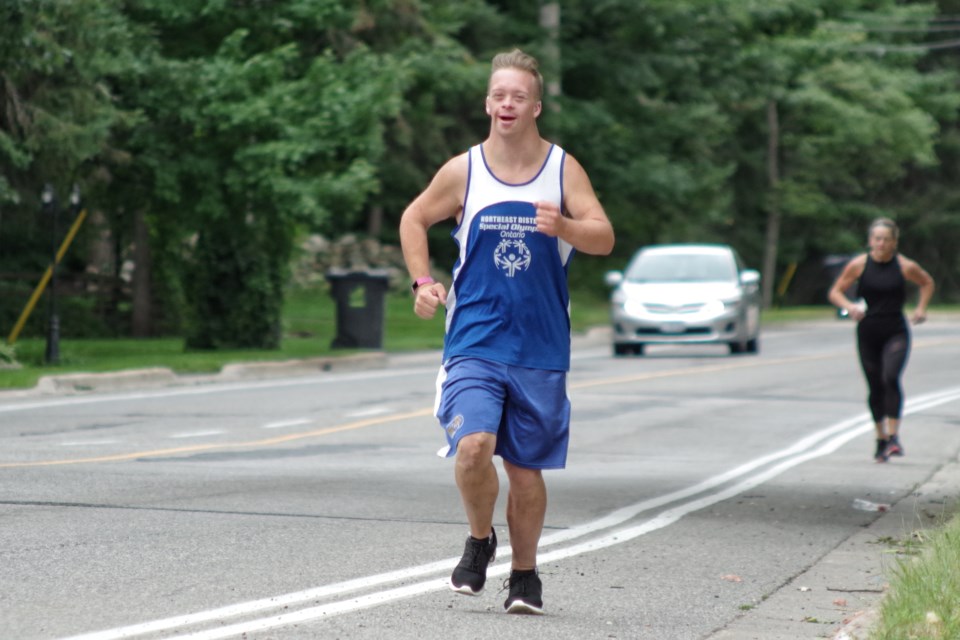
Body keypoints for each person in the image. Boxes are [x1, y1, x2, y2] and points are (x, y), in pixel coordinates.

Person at [398, 49, 615, 614]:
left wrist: (564, 224)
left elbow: (603, 236)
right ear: (488, 104)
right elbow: (414, 217)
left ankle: (524, 575)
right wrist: (422, 281)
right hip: (474, 337)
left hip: (540, 346)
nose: (507, 104)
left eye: (518, 96)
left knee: (524, 472)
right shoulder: (464, 169)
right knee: (473, 448)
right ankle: (479, 540)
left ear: (536, 105)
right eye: (499, 95)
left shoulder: (561, 168)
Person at [828, 218, 935, 462]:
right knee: (875, 384)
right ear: (870, 241)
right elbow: (835, 292)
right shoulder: (858, 265)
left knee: (890, 376)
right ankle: (880, 439)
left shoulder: (905, 266)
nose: (882, 244)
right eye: (877, 239)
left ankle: (894, 437)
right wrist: (850, 307)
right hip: (868, 331)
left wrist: (921, 308)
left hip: (895, 330)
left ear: (895, 242)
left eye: (887, 239)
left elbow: (927, 282)